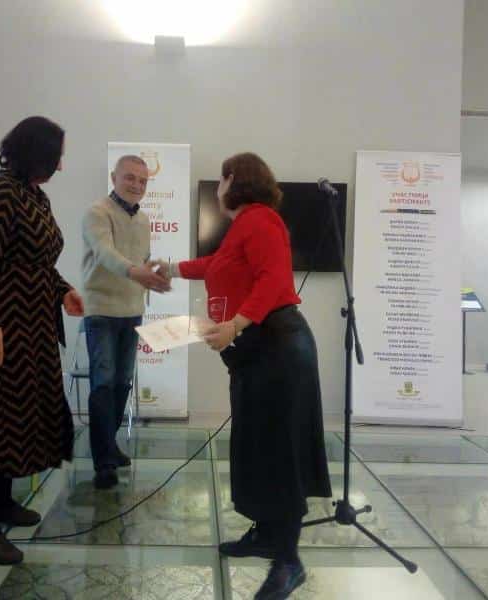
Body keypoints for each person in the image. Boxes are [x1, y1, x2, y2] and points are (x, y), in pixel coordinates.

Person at [161, 153, 332, 600]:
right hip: (259, 348)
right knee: (258, 445)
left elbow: (273, 280)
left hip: (277, 345)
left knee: (279, 450)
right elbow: (217, 264)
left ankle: (289, 563)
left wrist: (235, 324)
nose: (218, 187)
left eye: (222, 178)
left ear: (234, 180)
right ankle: (267, 535)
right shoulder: (244, 226)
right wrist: (171, 269)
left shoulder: (261, 219)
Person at [0, 116, 83, 565]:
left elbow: (38, 264)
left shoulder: (34, 195)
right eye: (56, 157)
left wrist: (63, 290)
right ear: (35, 153)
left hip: (34, 330)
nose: (60, 166)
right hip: (4, 330)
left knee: (25, 418)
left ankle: (1, 504)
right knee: (1, 419)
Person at [81, 155, 170, 490]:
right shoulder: (97, 212)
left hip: (132, 310)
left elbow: (140, 261)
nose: (136, 185)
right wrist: (137, 272)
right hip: (101, 311)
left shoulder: (144, 220)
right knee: (103, 384)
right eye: (130, 177)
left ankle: (110, 444)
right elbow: (105, 254)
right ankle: (103, 462)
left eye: (143, 181)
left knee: (122, 384)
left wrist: (156, 275)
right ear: (114, 177)